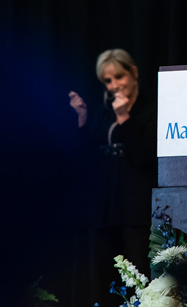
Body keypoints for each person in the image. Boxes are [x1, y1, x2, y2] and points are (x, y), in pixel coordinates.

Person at [68, 49, 157, 304]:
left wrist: (124, 119)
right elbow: (86, 159)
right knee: (101, 282)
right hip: (103, 212)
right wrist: (83, 117)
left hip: (135, 214)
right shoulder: (103, 113)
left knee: (136, 281)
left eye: (119, 76)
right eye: (108, 81)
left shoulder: (150, 110)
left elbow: (143, 159)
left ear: (134, 73)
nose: (114, 85)